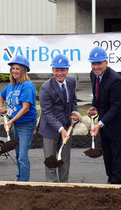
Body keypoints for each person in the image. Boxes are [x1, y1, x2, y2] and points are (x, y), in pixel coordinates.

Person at [87, 46, 121, 184]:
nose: (96, 67)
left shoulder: (116, 80)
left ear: (106, 63)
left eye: (99, 63)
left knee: (117, 156)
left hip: (119, 124)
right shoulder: (93, 75)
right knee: (107, 154)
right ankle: (110, 180)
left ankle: (116, 183)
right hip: (106, 122)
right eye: (93, 63)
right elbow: (97, 94)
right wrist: (94, 105)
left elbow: (116, 107)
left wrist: (100, 124)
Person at [39, 54, 80, 183]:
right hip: (50, 129)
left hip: (67, 126)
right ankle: (53, 187)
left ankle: (64, 186)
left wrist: (74, 111)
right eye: (57, 70)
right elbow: (47, 113)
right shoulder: (45, 88)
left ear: (67, 70)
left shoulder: (72, 81)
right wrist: (61, 129)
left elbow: (73, 99)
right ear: (52, 70)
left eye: (62, 70)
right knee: (51, 161)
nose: (60, 73)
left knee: (64, 160)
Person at [0, 55, 38, 182]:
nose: (14, 71)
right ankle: (20, 178)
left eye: (18, 69)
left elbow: (25, 108)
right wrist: (1, 107)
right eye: (13, 68)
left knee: (22, 155)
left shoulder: (27, 85)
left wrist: (10, 121)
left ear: (24, 70)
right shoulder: (11, 85)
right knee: (18, 153)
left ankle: (24, 183)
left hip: (26, 124)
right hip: (17, 123)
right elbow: (0, 96)